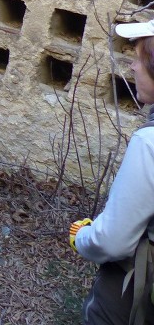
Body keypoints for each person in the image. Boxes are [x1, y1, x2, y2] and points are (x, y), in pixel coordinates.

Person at [70, 19, 154, 324]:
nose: (132, 66)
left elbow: (113, 241)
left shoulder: (149, 143)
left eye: (140, 58)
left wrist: (84, 236)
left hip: (133, 299)